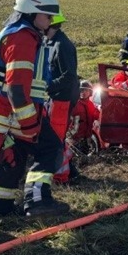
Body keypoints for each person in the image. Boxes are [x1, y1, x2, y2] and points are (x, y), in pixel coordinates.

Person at [0, 0, 69, 219]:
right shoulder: (22, 38)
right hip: (7, 113)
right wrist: (30, 124)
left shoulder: (18, 33)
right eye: (48, 15)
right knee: (50, 147)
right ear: (32, 13)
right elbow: (17, 90)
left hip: (3, 111)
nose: (52, 20)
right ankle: (38, 201)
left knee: (14, 157)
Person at [45, 12, 80, 184]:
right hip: (57, 97)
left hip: (63, 98)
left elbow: (69, 76)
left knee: (56, 138)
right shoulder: (51, 43)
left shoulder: (62, 45)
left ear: (50, 24)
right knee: (55, 136)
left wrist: (47, 87)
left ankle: (61, 177)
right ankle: (71, 171)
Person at [68, 80, 101, 154]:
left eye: (86, 90)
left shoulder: (91, 105)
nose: (83, 92)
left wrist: (96, 119)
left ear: (90, 92)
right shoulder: (74, 104)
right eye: (81, 90)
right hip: (75, 139)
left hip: (86, 138)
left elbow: (96, 114)